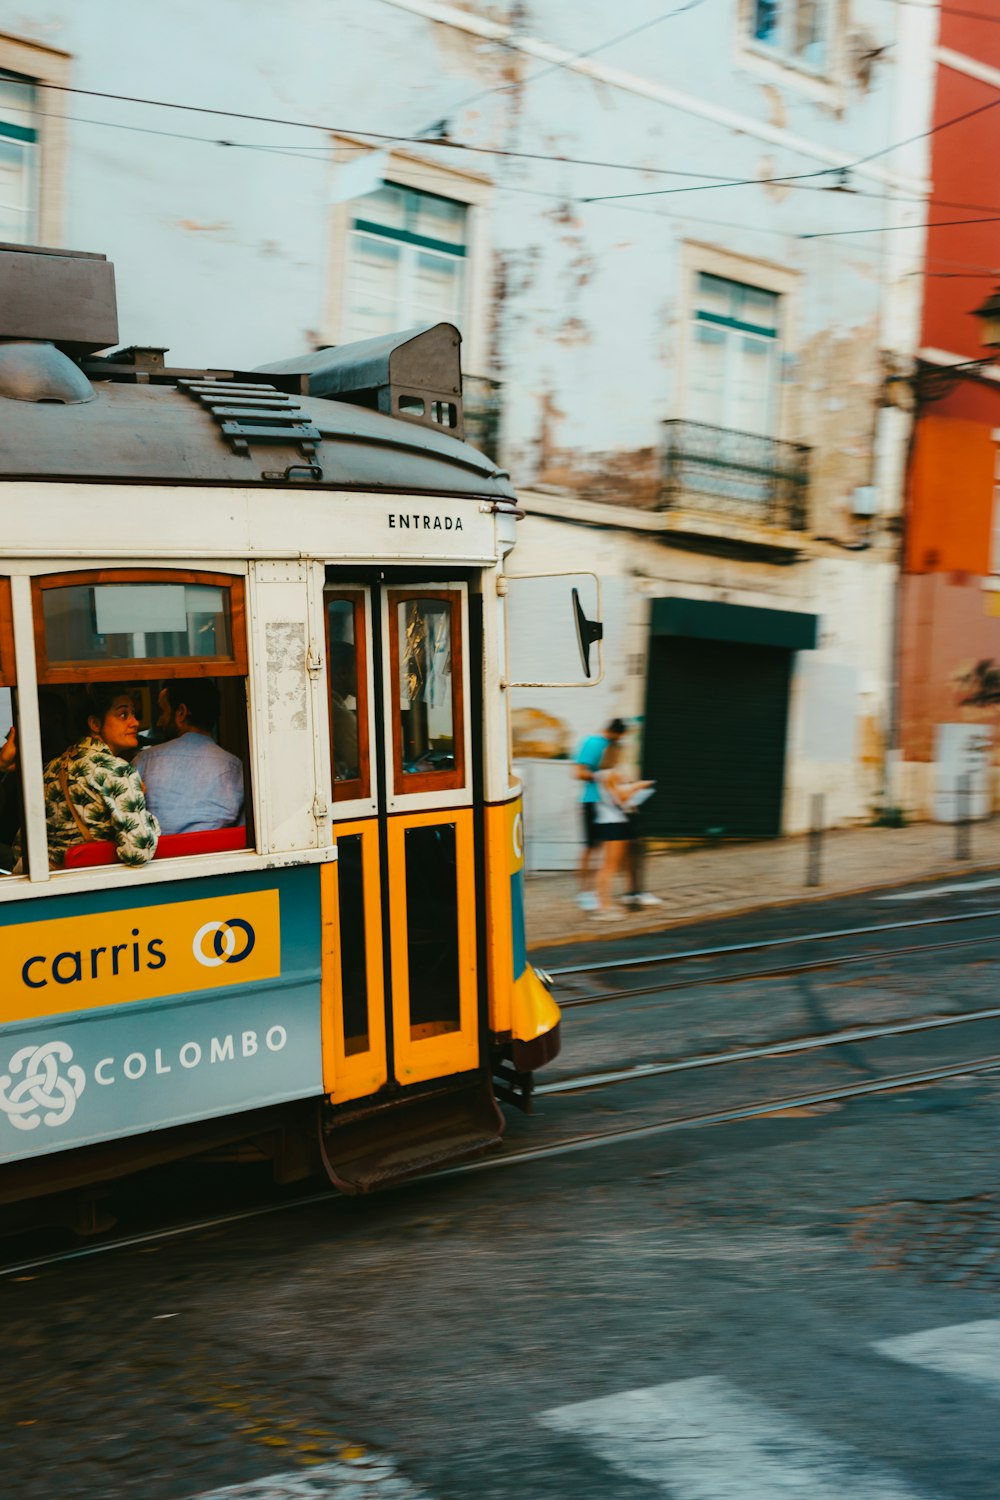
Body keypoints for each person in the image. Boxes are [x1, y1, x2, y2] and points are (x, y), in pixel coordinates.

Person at [40, 685, 160, 868]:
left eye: (134, 714)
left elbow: (22, 843)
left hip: (51, 881)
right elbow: (138, 852)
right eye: (123, 715)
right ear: (95, 724)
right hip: (97, 881)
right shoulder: (118, 770)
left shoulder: (53, 767)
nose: (135, 722)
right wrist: (142, 810)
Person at [134, 678, 244, 836]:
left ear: (181, 713)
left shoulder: (144, 761)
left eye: (162, 711)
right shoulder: (236, 769)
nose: (159, 722)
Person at [592, 744, 655, 919]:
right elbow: (620, 798)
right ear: (615, 755)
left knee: (607, 867)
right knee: (609, 868)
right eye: (620, 755)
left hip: (608, 822)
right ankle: (604, 908)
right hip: (613, 823)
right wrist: (638, 787)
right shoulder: (610, 774)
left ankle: (604, 905)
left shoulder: (600, 774)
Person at [574, 717, 626, 911]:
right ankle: (583, 892)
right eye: (618, 736)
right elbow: (577, 772)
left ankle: (598, 891)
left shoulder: (616, 746)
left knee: (607, 850)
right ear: (612, 731)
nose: (619, 740)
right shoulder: (592, 743)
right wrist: (599, 776)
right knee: (590, 848)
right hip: (591, 801)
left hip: (610, 804)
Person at [329, 641, 359, 781]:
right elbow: (361, 767)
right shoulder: (342, 718)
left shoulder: (330, 706)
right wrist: (414, 769)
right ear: (342, 673)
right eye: (358, 668)